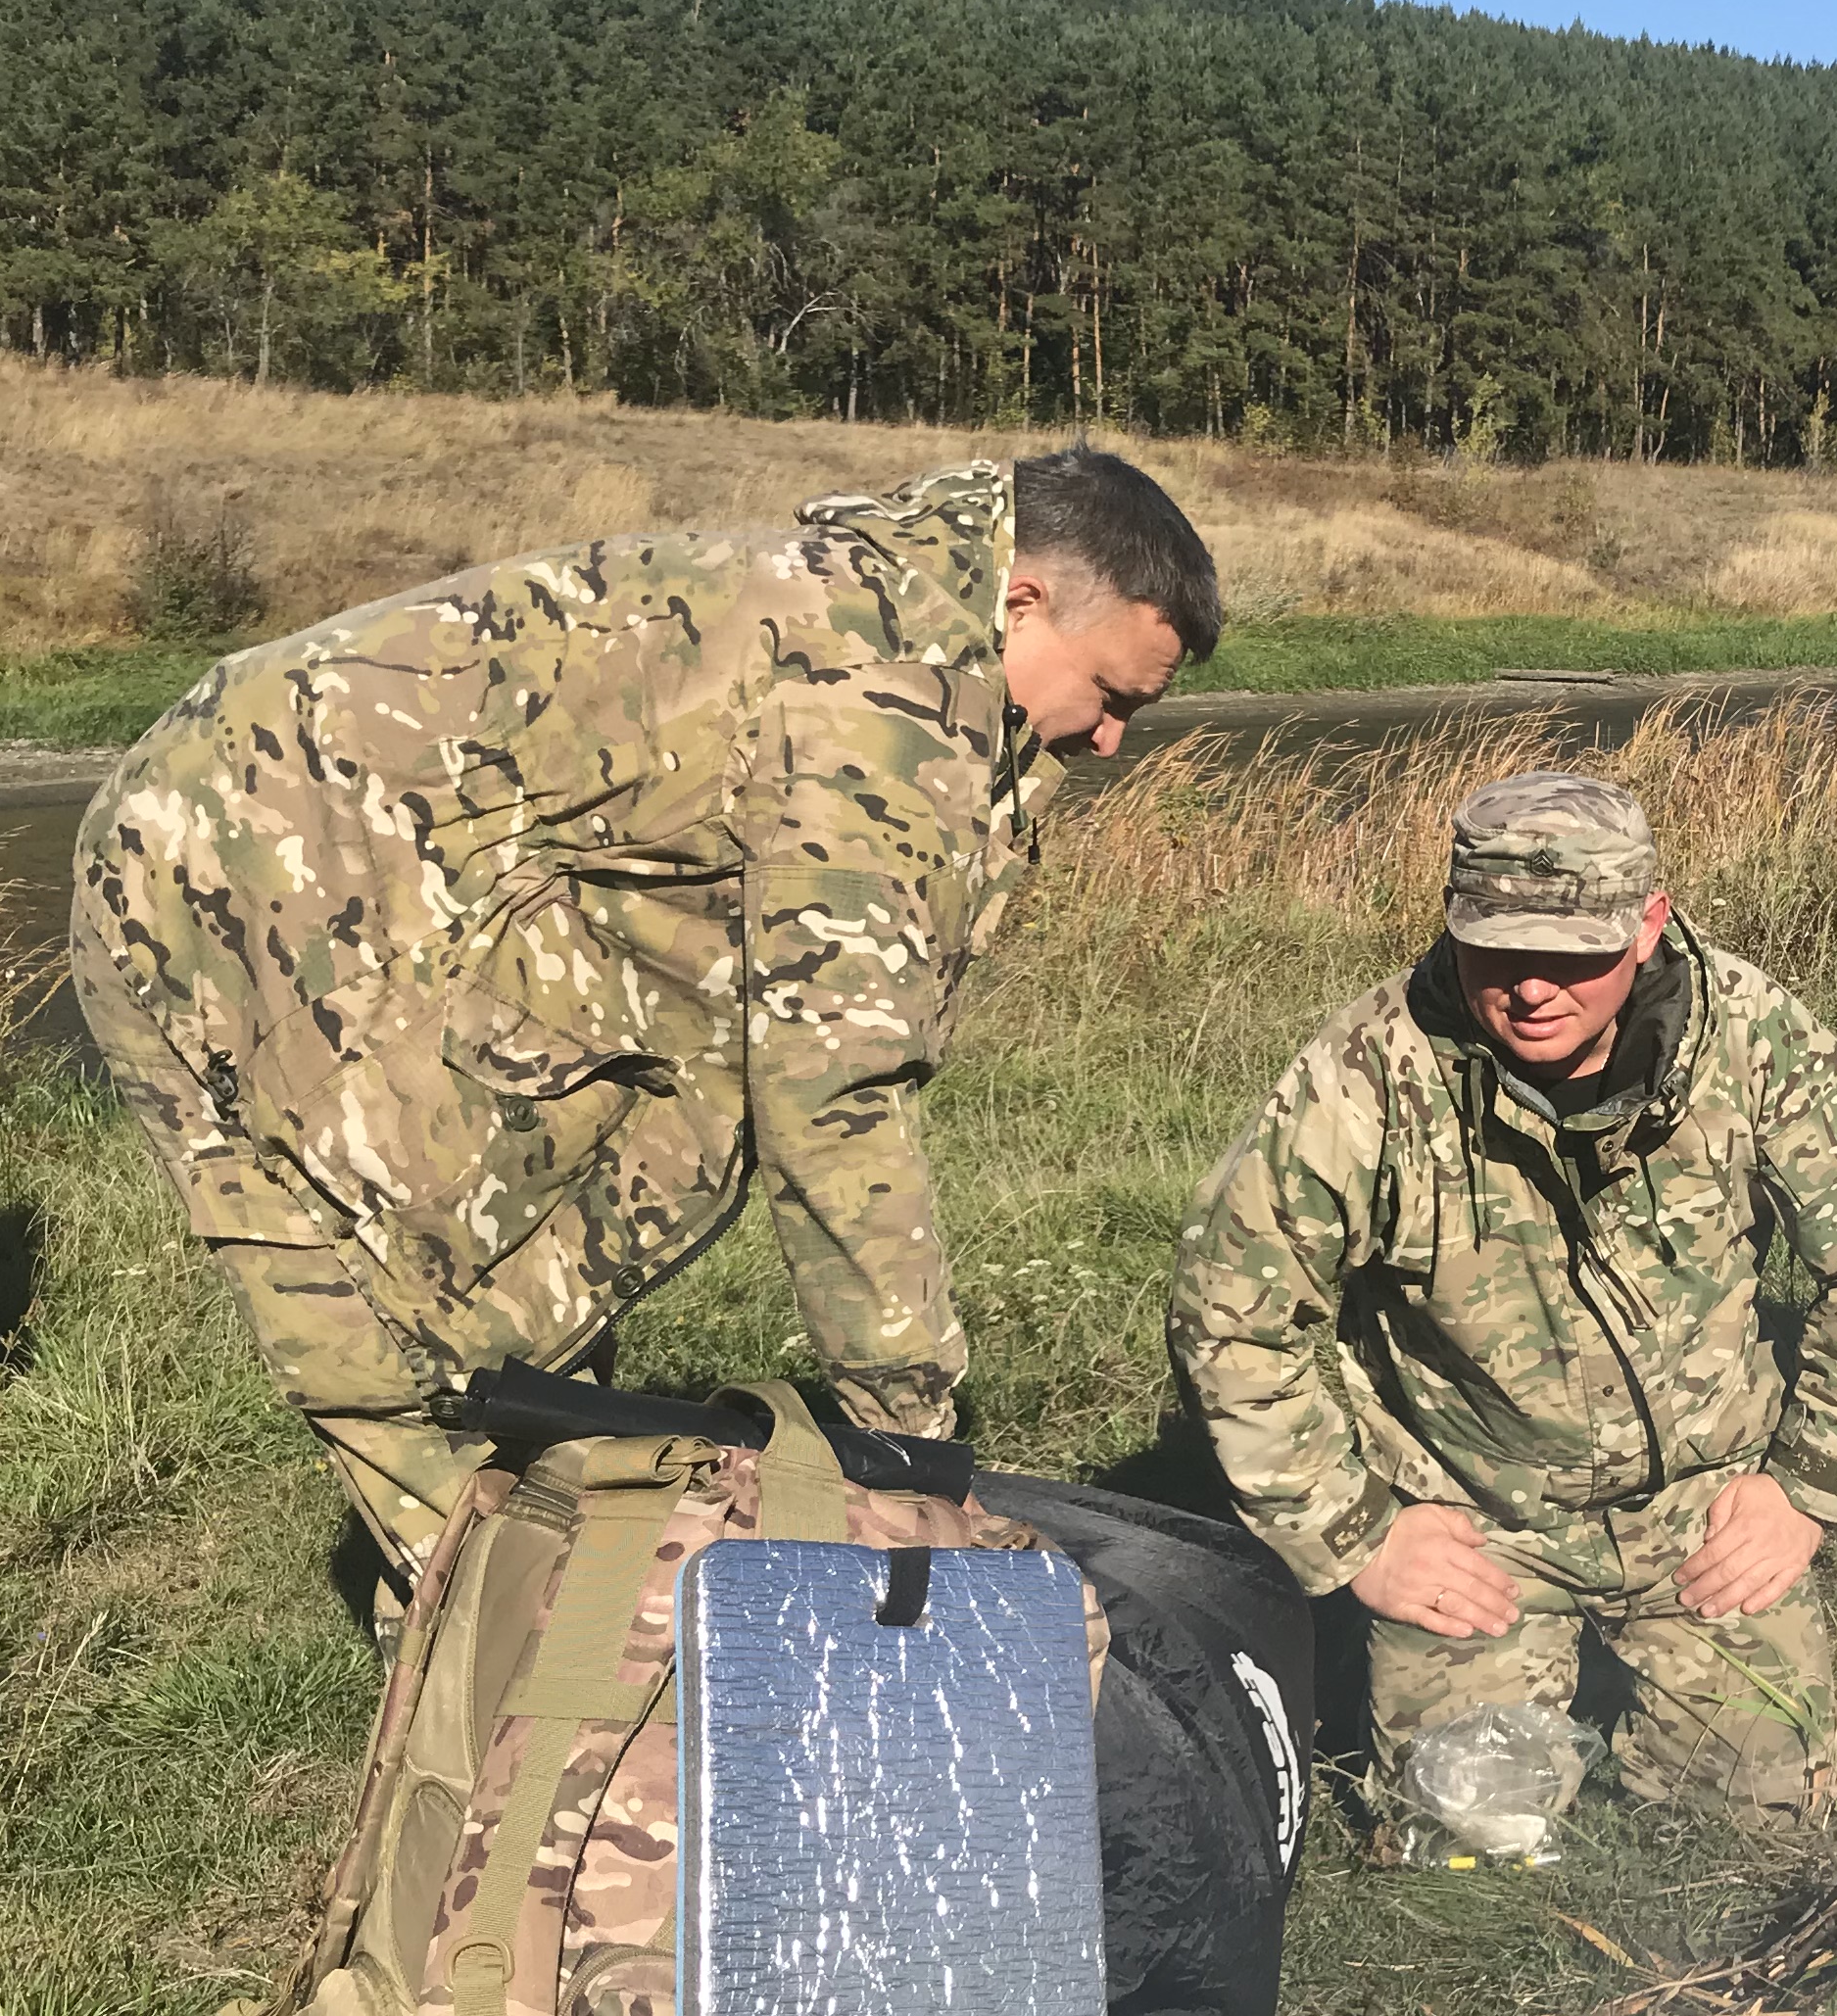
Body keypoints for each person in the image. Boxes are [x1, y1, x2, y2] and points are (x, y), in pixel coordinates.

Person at [73, 450, 1217, 1574]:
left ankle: (536, 1516)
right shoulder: (873, 695)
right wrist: (905, 1431)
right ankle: (495, 1661)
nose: (1111, 739)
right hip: (218, 864)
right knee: (367, 1308)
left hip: (398, 860)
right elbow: (834, 1087)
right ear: (1021, 601)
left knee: (603, 1187)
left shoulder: (905, 625)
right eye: (1112, 697)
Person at [1169, 772, 1837, 1827]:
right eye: (1499, 949)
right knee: (1466, 1829)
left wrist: (1805, 1486)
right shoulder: (1368, 1074)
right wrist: (1357, 1533)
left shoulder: (1752, 1037)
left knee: (1767, 1805)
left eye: (1573, 954)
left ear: (1648, 926)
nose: (1534, 988)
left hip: (1699, 1509)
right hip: (1477, 1519)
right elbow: (1232, 1316)